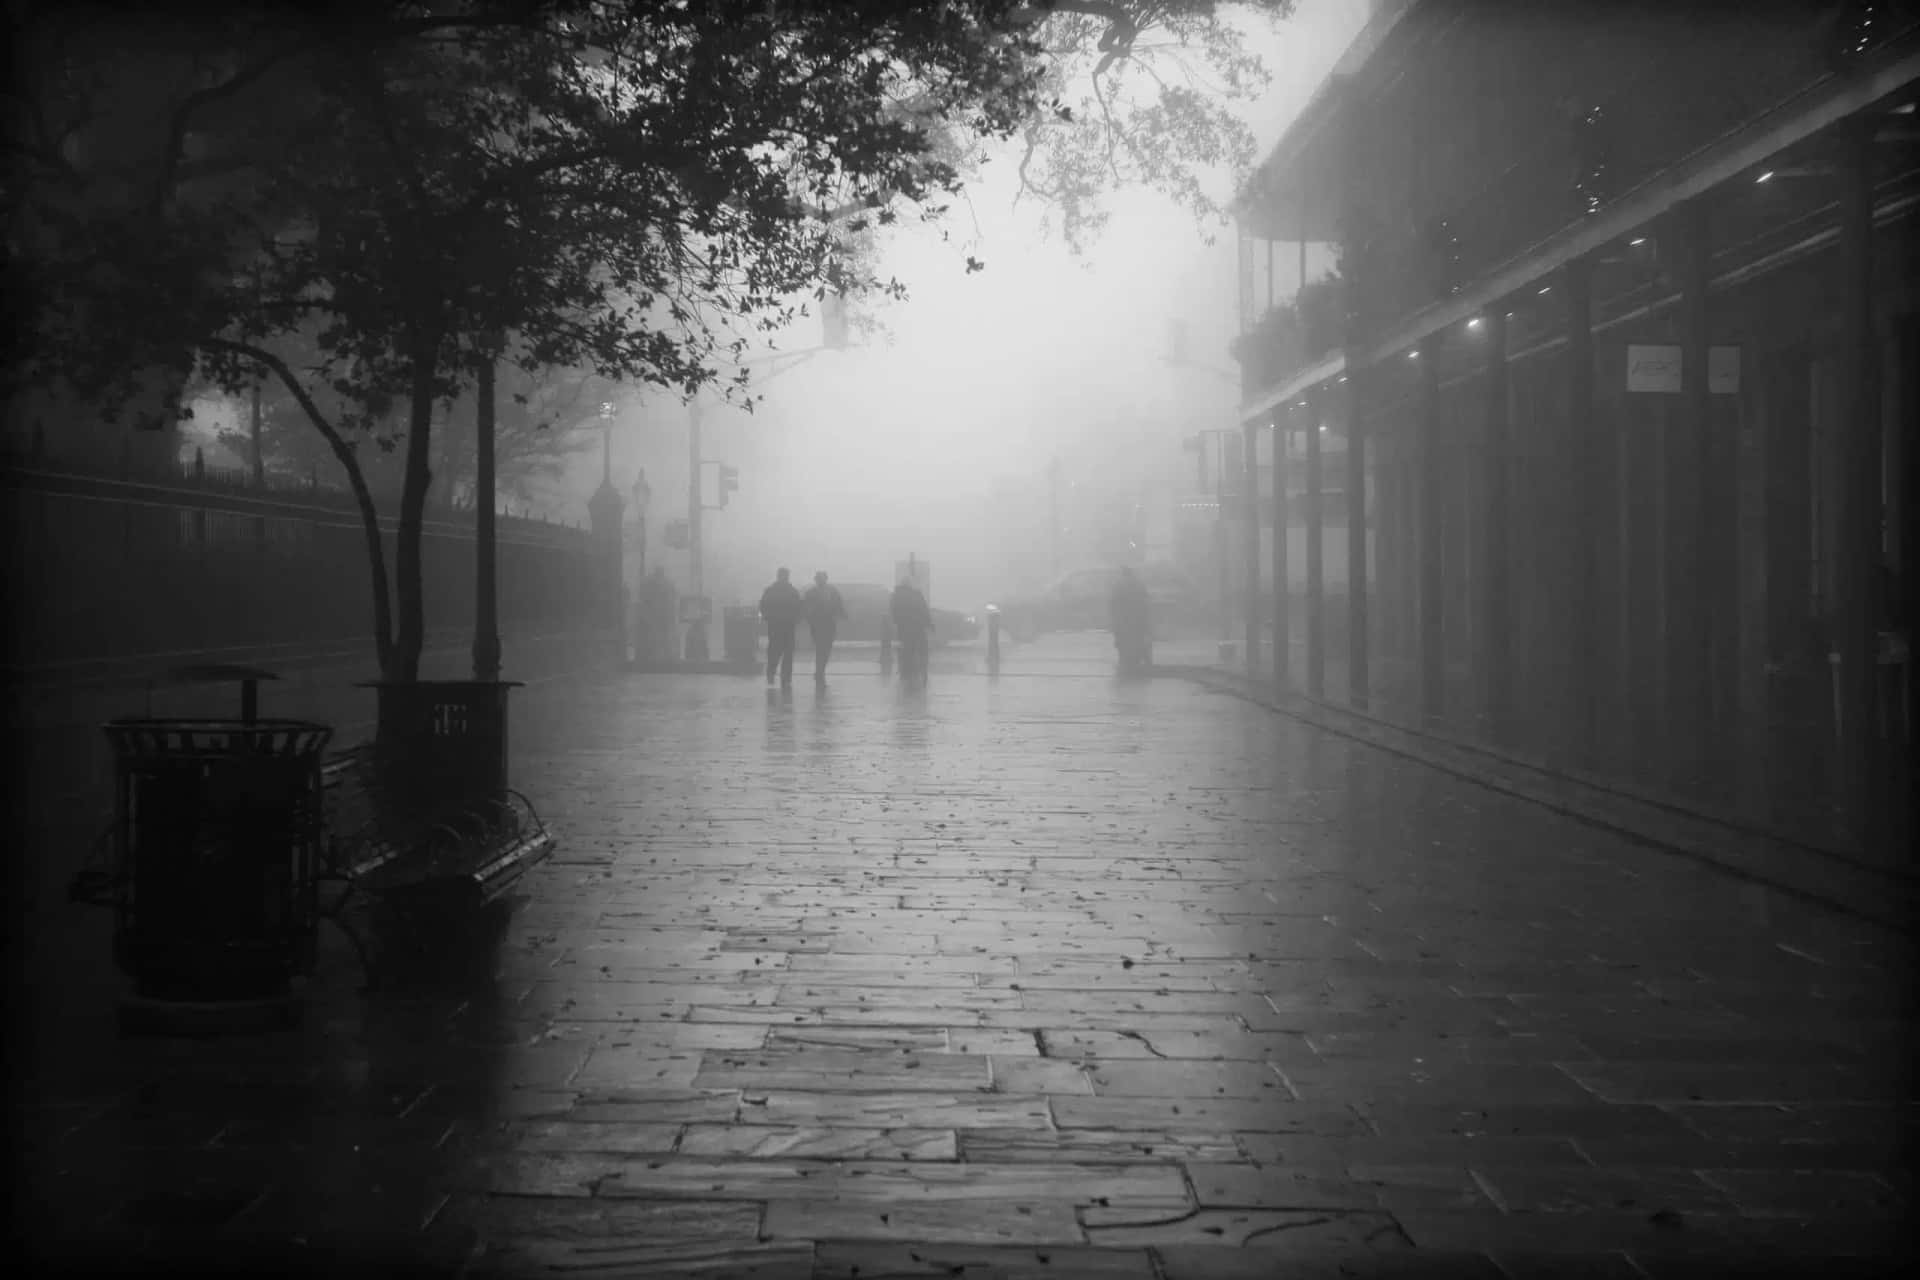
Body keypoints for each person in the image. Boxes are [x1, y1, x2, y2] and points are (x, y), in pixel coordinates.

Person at [759, 566, 803, 688]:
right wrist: (796, 619)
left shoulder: (771, 590)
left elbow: (763, 606)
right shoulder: (792, 591)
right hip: (785, 625)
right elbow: (799, 608)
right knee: (784, 652)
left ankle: (773, 674)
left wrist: (767, 617)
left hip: (777, 625)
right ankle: (784, 677)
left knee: (776, 651)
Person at [803, 570, 847, 684]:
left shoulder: (832, 591)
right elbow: (806, 608)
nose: (820, 581)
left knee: (826, 649)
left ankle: (820, 670)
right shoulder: (811, 593)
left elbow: (839, 604)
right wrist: (810, 619)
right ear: (816, 580)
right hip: (818, 624)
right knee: (820, 649)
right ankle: (819, 671)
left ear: (825, 579)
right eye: (819, 578)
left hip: (829, 624)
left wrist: (842, 614)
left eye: (822, 578)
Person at [889, 576, 933, 685]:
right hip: (918, 627)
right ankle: (923, 671)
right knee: (922, 649)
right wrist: (930, 624)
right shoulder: (917, 594)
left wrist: (897, 623)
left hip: (904, 628)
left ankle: (906, 672)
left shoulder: (896, 595)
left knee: (907, 650)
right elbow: (924, 610)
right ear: (910, 585)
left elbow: (893, 611)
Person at [1109, 565, 1152, 672]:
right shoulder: (1139, 583)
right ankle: (1142, 657)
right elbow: (1145, 599)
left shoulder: (1118, 585)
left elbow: (1113, 602)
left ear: (1123, 573)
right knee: (1139, 637)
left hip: (1123, 618)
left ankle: (1124, 659)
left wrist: (1114, 616)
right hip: (1138, 617)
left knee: (1122, 639)